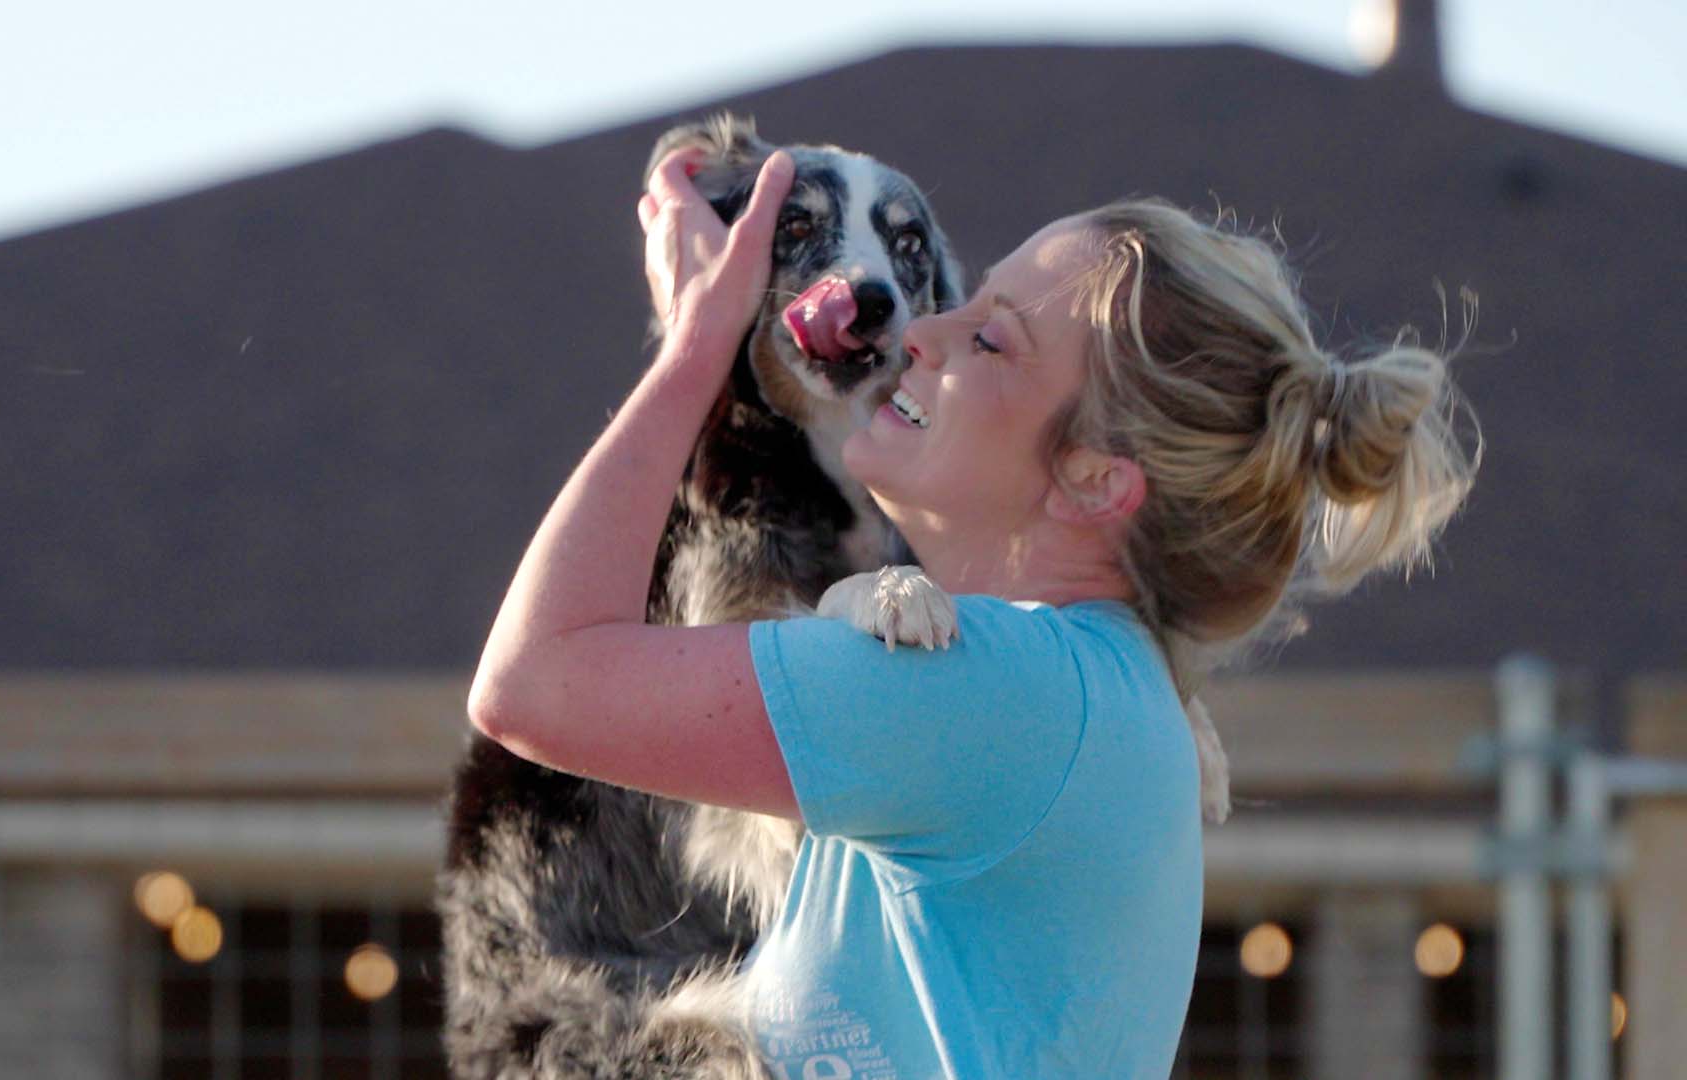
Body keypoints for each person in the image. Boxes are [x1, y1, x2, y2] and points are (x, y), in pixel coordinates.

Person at [468, 148, 1477, 1078]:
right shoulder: (1074, 691)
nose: (922, 330)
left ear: (1091, 480)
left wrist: (694, 348)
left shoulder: (991, 696)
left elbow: (533, 684)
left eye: (991, 339)